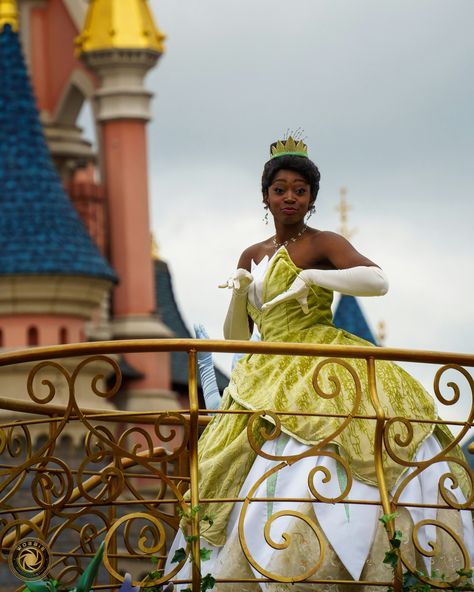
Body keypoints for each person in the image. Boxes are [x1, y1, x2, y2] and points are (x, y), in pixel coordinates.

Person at [167, 136, 473, 591]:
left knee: (342, 434)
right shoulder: (252, 254)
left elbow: (377, 280)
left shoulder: (322, 242)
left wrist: (313, 276)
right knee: (231, 463)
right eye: (280, 189)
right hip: (264, 369)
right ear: (265, 195)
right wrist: (237, 292)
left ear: (311, 198)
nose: (289, 198)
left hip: (320, 364)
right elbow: (236, 339)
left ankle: (352, 555)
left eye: (299, 190)